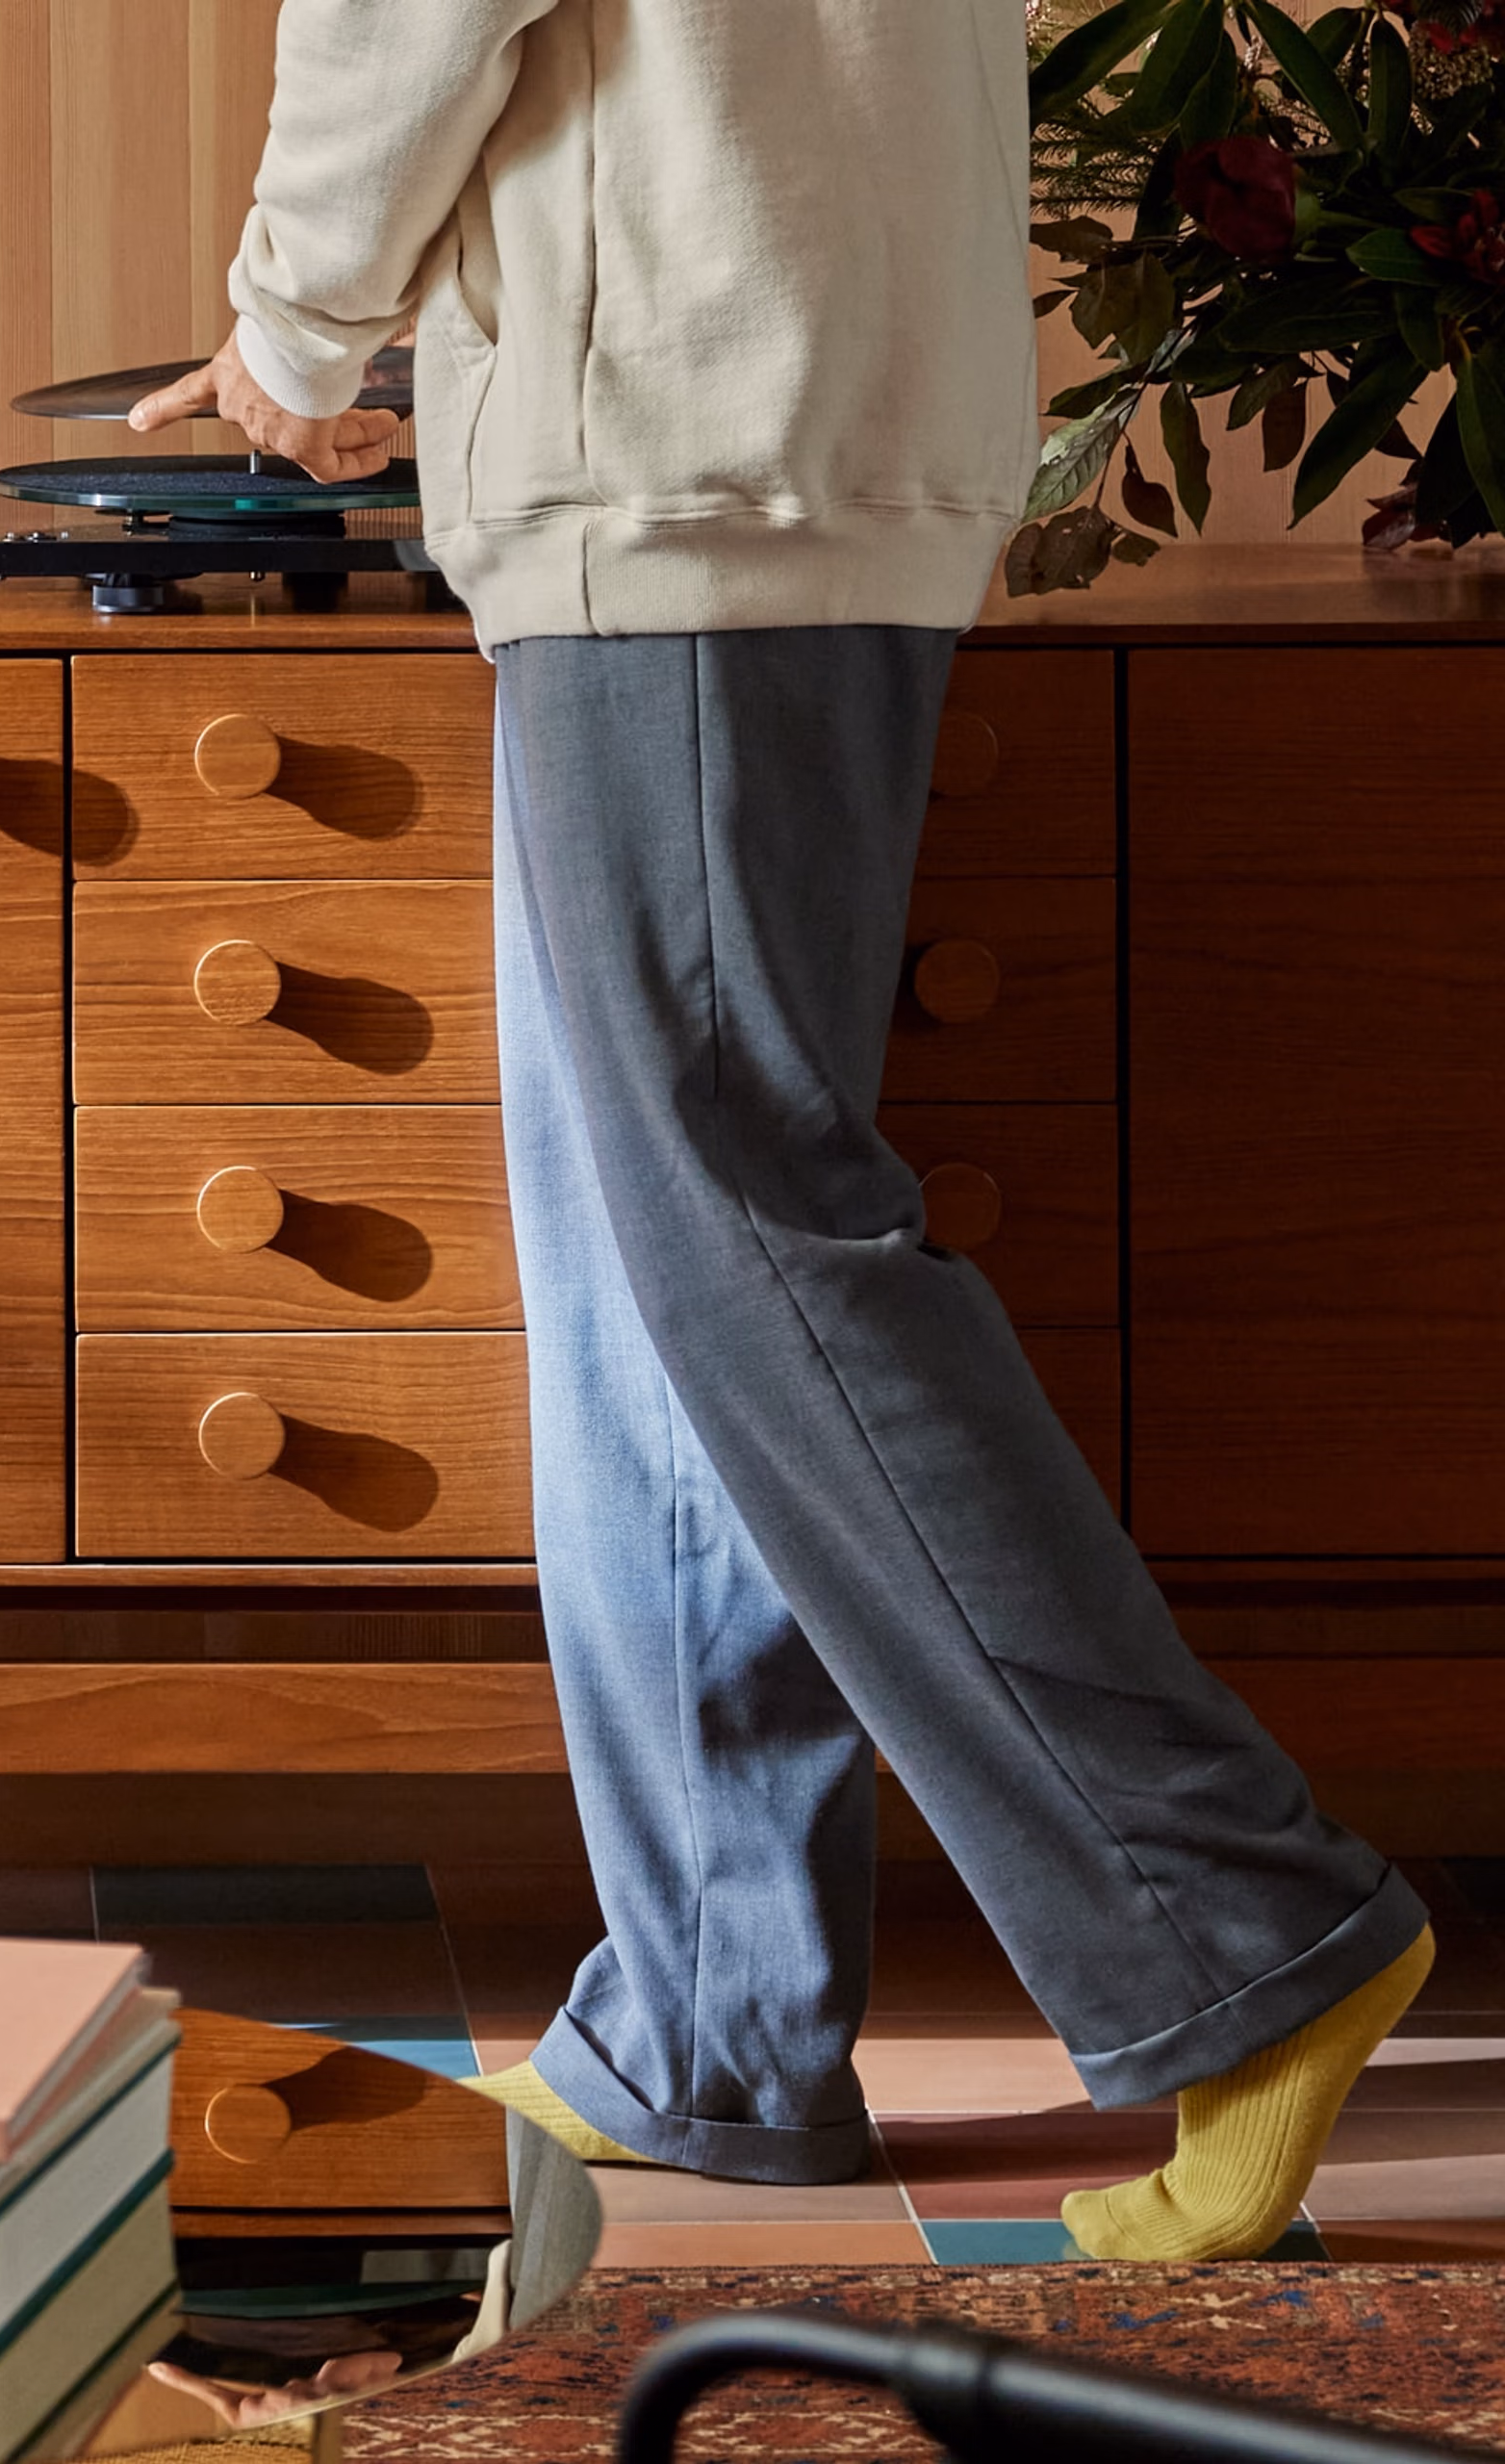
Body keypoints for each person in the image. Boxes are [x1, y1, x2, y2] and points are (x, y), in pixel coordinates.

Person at [126, 0, 1431, 2263]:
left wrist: (295, 324)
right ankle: (711, 2013)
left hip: (679, 445)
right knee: (658, 1270)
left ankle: (1247, 1928)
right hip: (811, 414)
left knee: (747, 1243)